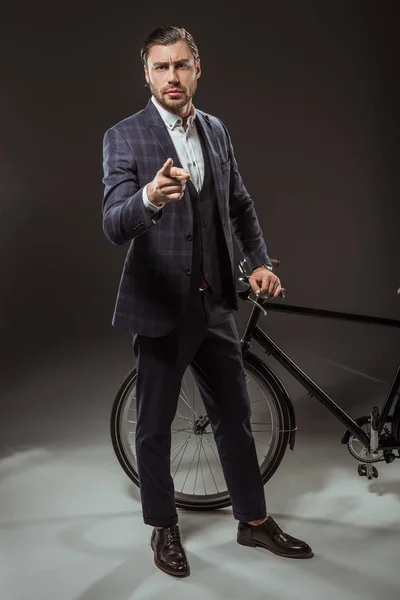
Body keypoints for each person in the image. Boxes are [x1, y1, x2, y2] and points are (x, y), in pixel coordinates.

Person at [102, 25, 313, 578]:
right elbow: (112, 224)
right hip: (159, 305)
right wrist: (148, 197)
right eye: (161, 67)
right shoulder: (124, 137)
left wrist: (260, 262)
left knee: (236, 420)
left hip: (215, 300)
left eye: (182, 65)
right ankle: (163, 527)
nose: (172, 77)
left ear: (198, 68)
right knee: (152, 426)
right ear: (146, 74)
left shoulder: (216, 131)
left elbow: (239, 204)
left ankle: (254, 519)